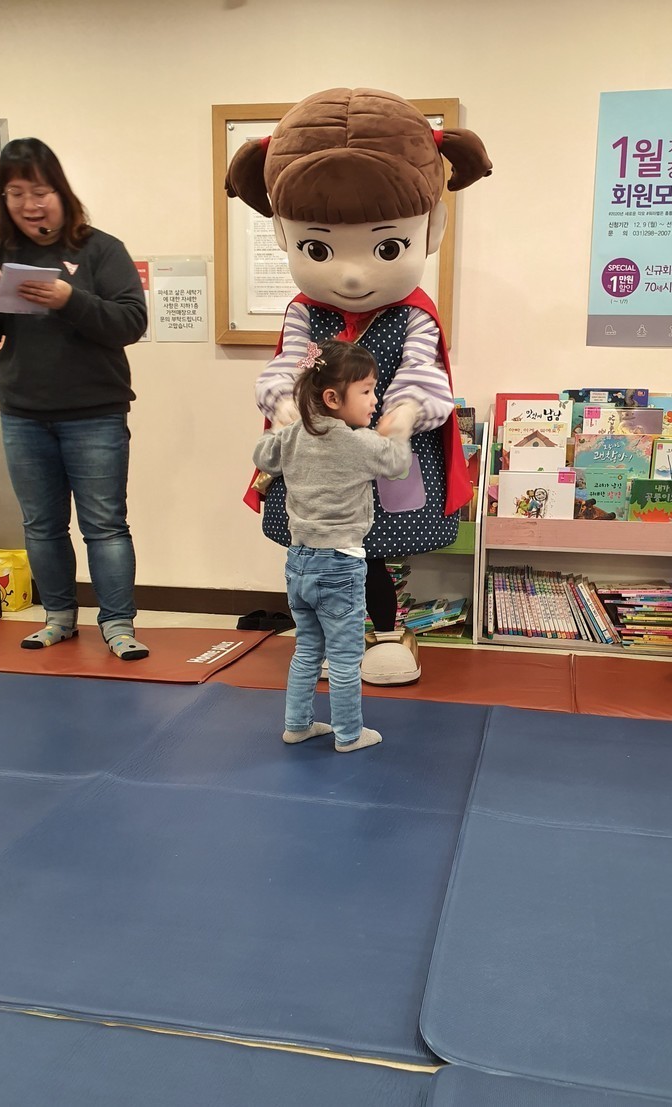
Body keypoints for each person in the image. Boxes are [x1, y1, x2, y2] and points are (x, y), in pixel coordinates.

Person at [227, 87, 491, 686]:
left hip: (384, 454)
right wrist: (285, 406)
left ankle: (387, 633)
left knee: (375, 550)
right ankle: (324, 636)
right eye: (318, 248)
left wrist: (402, 414)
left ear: (431, 228)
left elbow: (424, 372)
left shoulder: (415, 314)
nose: (350, 274)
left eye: (387, 246)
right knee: (317, 549)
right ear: (284, 235)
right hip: (318, 459)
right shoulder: (304, 312)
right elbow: (289, 366)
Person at [0, 138, 149, 659]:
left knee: (105, 525)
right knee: (42, 526)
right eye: (16, 193)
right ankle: (58, 618)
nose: (30, 204)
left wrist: (69, 299)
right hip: (23, 414)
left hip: (95, 413)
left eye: (40, 191)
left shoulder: (100, 249)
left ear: (61, 191)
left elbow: (131, 322)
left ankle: (118, 624)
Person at [253, 339, 412, 752]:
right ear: (332, 398)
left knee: (307, 649)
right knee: (343, 657)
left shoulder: (294, 435)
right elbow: (398, 464)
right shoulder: (358, 443)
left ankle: (297, 725)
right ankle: (349, 734)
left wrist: (281, 424)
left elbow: (263, 457)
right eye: (367, 390)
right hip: (340, 564)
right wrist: (398, 431)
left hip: (299, 562)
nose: (374, 399)